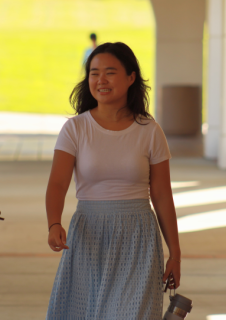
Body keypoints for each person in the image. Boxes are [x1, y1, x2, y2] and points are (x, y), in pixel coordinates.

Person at [46, 42, 181, 319]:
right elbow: (57, 184)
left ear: (131, 77)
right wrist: (54, 223)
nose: (101, 80)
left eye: (110, 72)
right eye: (94, 73)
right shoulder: (75, 129)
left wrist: (175, 253)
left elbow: (162, 194)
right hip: (88, 234)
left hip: (138, 236)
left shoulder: (150, 130)